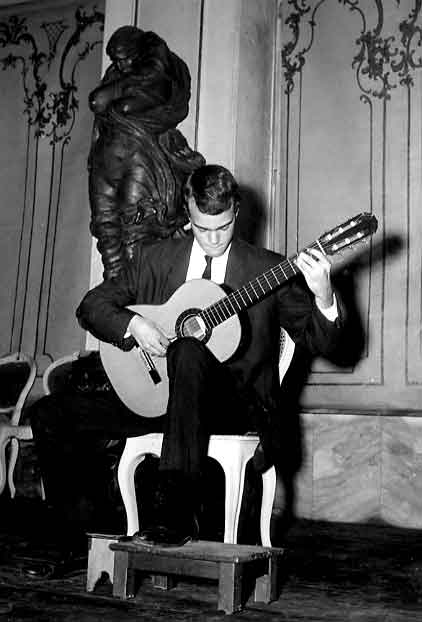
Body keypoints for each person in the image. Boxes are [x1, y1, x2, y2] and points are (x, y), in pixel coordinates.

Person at [29, 164, 351, 557]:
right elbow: (92, 306)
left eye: (224, 226)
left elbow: (328, 344)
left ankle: (174, 511)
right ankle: (76, 536)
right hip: (159, 396)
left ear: (237, 211)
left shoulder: (268, 269)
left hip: (232, 404)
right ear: (187, 215)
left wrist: (323, 296)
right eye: (202, 228)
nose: (214, 239)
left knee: (189, 349)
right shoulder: (157, 259)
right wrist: (134, 324)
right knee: (50, 414)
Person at [88, 25, 205, 279]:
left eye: (126, 57)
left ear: (140, 51)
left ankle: (139, 306)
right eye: (116, 60)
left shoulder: (159, 74)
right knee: (106, 235)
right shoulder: (116, 75)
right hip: (104, 165)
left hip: (138, 162)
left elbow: (114, 103)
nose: (121, 65)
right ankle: (115, 302)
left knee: (136, 240)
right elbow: (97, 102)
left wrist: (121, 92)